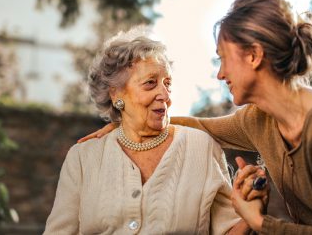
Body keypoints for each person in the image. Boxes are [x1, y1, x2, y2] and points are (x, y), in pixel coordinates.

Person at [79, 0, 312, 234]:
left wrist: (260, 222)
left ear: (254, 55)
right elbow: (201, 126)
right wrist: (129, 123)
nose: (220, 74)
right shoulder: (259, 119)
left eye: (223, 59)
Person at [44, 27, 267, 234]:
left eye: (167, 83)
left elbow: (226, 230)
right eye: (151, 83)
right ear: (116, 94)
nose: (165, 95)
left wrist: (250, 216)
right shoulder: (83, 158)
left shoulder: (202, 147)